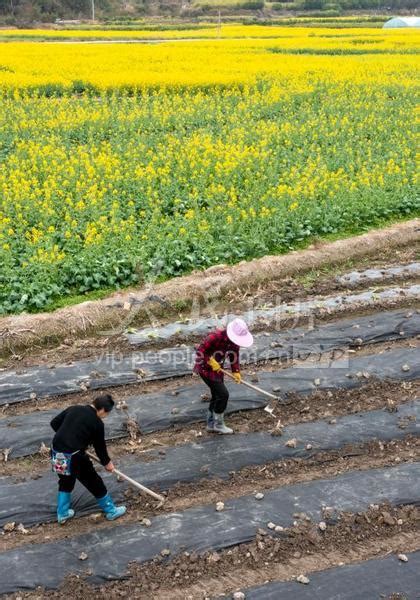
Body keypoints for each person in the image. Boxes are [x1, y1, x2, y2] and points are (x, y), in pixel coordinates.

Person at [50, 394, 126, 525]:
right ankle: (111, 510)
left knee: (65, 481)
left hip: (57, 452)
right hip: (74, 456)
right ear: (102, 409)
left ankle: (62, 513)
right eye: (106, 413)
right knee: (93, 481)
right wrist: (107, 463)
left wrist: (69, 436)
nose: (105, 416)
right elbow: (100, 447)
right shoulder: (97, 423)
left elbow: (54, 423)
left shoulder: (74, 408)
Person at [193, 318, 254, 434]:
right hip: (205, 368)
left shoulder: (234, 342)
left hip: (217, 369)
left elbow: (234, 355)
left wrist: (236, 371)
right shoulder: (215, 336)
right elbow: (200, 351)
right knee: (223, 394)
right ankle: (219, 425)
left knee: (217, 395)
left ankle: (211, 424)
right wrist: (210, 361)